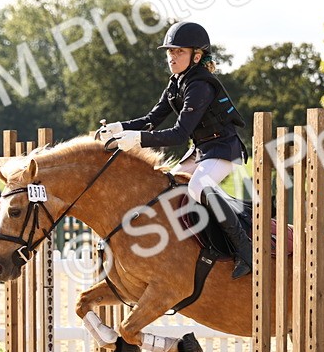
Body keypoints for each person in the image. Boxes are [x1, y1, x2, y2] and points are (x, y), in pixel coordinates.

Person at [98, 21, 251, 278]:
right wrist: (119, 127)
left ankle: (246, 252)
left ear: (197, 56)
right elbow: (152, 119)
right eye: (170, 52)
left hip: (223, 149)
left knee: (198, 187)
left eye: (179, 52)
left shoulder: (200, 85)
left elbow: (178, 134)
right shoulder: (177, 83)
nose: (172, 57)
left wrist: (136, 139)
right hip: (201, 149)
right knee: (167, 188)